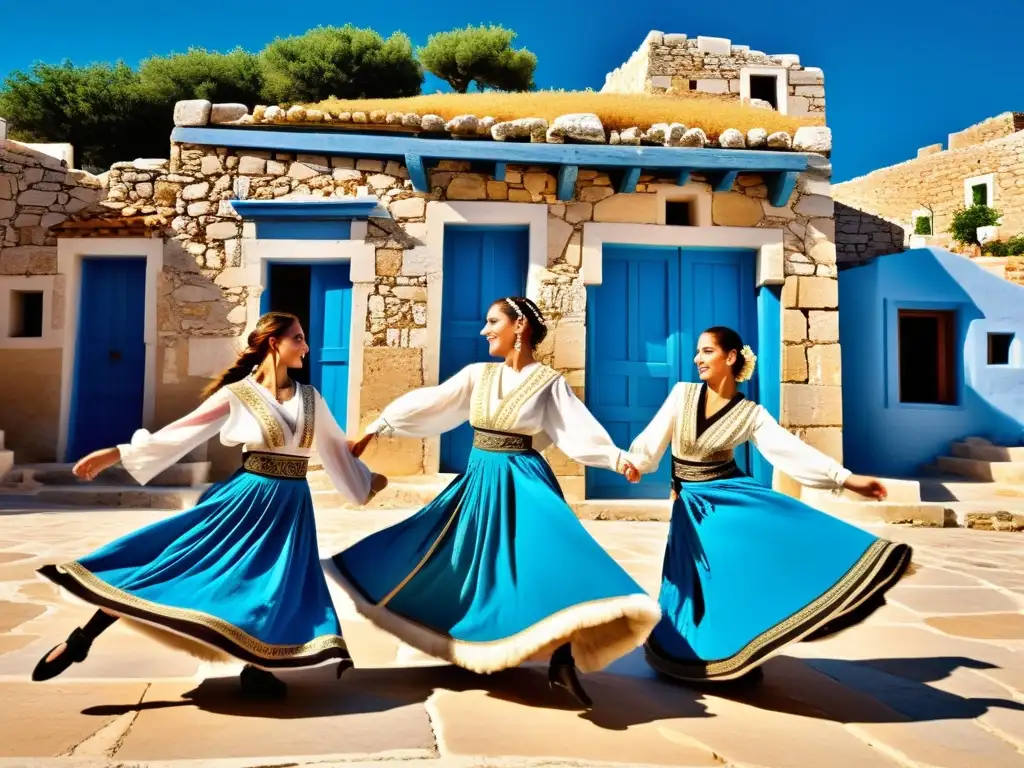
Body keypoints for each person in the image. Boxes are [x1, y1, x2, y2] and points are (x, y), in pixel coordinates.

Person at [32, 312, 387, 699]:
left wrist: (365, 481)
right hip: (245, 500)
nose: (306, 346)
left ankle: (257, 667)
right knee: (171, 563)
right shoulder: (239, 394)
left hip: (291, 506)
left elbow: (337, 448)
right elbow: (183, 432)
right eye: (298, 338)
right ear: (274, 344)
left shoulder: (310, 398)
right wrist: (117, 452)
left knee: (275, 584)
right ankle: (83, 639)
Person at [329, 296, 660, 710]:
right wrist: (377, 427)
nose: (484, 330)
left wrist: (615, 459)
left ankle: (562, 661)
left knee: (549, 563)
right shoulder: (478, 375)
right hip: (480, 481)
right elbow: (434, 402)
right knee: (460, 563)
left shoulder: (548, 382)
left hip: (525, 482)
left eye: (492, 322)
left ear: (518, 326)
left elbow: (576, 429)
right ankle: (475, 644)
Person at [622, 326, 914, 685]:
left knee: (731, 578)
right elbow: (653, 438)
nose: (697, 358)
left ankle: (740, 654)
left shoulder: (751, 414)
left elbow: (788, 451)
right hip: (689, 507)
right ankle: (702, 653)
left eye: (707, 351)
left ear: (730, 358)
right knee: (689, 584)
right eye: (697, 351)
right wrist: (636, 462)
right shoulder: (682, 394)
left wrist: (844, 478)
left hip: (727, 502)